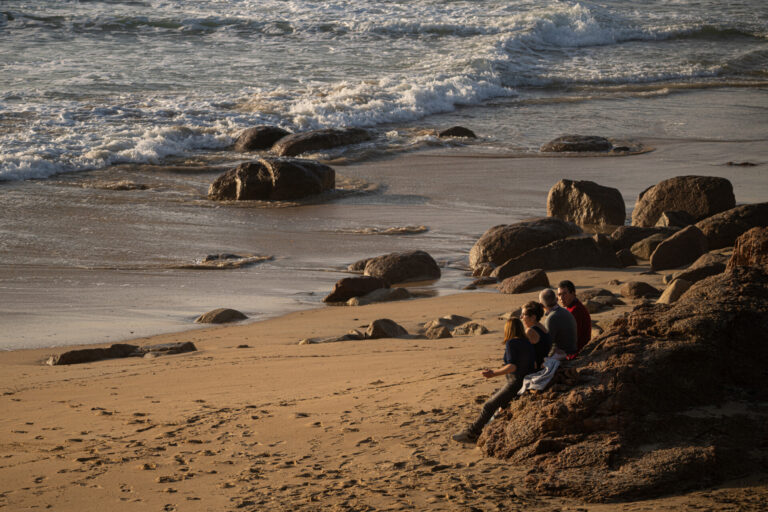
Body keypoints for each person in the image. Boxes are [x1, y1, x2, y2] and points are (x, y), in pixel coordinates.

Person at [452, 317, 535, 443]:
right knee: (497, 401)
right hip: (525, 381)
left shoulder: (512, 343)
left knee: (489, 405)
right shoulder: (527, 342)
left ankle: (471, 433)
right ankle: (480, 429)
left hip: (515, 383)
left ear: (508, 329)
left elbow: (512, 366)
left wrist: (493, 373)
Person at [538, 288, 577, 359]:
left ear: (541, 305)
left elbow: (548, 344)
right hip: (572, 350)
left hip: (564, 354)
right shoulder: (565, 311)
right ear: (556, 299)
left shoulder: (551, 318)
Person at [557, 280, 591, 357]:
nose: (561, 298)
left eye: (564, 294)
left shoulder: (575, 310)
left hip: (576, 354)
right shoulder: (573, 307)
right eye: (559, 295)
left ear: (573, 294)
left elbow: (572, 339)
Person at [521, 300, 551, 369]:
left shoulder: (530, 331)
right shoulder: (543, 328)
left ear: (533, 317)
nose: (521, 317)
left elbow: (523, 354)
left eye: (524, 314)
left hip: (536, 368)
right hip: (543, 364)